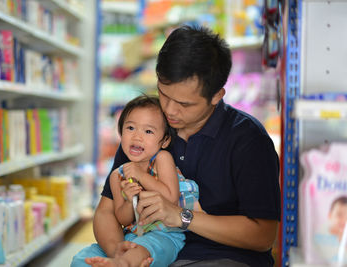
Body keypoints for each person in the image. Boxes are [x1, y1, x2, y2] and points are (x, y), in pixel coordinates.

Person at [72, 25, 280, 267]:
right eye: (163, 93)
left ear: (216, 95)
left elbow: (263, 236)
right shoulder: (146, 128)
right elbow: (107, 211)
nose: (169, 110)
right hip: (143, 246)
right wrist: (120, 253)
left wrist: (181, 216)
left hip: (220, 256)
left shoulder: (248, 139)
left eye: (184, 104)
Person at [74, 95, 200, 267]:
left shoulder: (162, 159)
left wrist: (141, 176)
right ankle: (121, 260)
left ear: (164, 141)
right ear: (120, 132)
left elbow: (171, 197)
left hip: (165, 235)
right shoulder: (117, 175)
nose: (137, 137)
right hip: (133, 235)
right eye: (131, 128)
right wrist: (128, 199)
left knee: (143, 249)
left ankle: (122, 263)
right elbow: (123, 218)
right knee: (82, 258)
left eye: (148, 131)